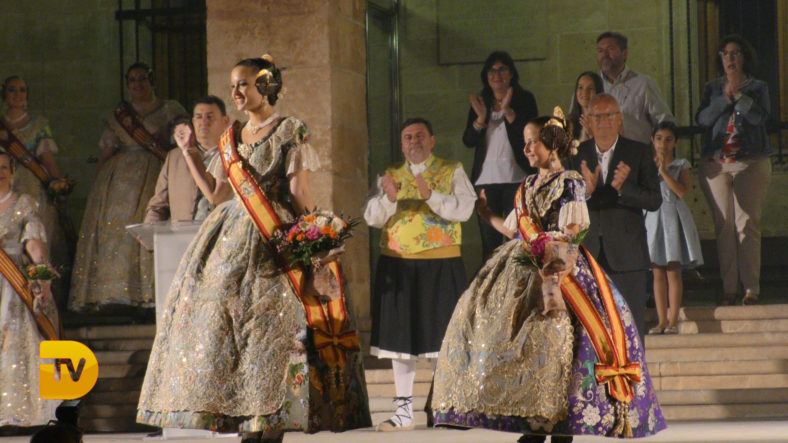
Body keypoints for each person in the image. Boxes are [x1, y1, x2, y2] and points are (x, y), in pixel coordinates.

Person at [137, 55, 370, 443]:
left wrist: (317, 242)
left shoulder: (289, 129)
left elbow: (299, 192)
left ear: (266, 86)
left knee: (273, 333)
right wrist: (191, 152)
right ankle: (243, 420)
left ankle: (271, 422)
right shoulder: (230, 138)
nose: (236, 92)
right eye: (233, 85)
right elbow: (217, 195)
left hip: (273, 238)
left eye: (243, 84)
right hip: (227, 239)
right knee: (227, 330)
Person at [431, 109, 666, 441]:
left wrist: (555, 261)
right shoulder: (526, 185)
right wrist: (486, 215)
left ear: (552, 145)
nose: (526, 149)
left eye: (532, 142)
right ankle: (530, 419)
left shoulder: (569, 181)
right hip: (523, 266)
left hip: (559, 267)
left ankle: (560, 424)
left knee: (559, 342)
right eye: (525, 143)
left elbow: (573, 228)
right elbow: (515, 231)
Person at [364, 117, 475, 432]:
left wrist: (431, 196)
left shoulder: (452, 170)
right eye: (408, 137)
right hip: (398, 264)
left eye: (420, 136)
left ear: (432, 140)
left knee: (444, 337)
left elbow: (465, 209)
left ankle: (446, 407)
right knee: (400, 339)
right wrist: (389, 197)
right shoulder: (389, 175)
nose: (414, 141)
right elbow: (371, 216)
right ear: (402, 145)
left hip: (441, 263)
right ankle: (403, 412)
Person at [69, 62, 187, 312]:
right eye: (132, 80)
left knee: (149, 223)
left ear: (151, 81)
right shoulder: (119, 117)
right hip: (119, 179)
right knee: (116, 230)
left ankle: (149, 294)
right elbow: (108, 151)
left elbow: (182, 141)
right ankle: (114, 294)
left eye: (142, 78)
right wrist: (98, 188)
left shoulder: (169, 109)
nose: (137, 84)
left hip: (155, 171)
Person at [567, 94, 661, 345]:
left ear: (619, 119)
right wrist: (586, 191)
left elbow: (654, 200)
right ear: (588, 121)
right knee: (592, 333)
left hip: (628, 256)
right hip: (589, 255)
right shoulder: (577, 155)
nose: (604, 122)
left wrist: (623, 188)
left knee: (630, 331)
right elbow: (565, 203)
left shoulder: (637, 151)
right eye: (598, 116)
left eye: (610, 115)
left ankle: (632, 372)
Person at [695, 34, 771, 306]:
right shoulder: (712, 88)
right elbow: (703, 119)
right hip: (716, 163)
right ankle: (729, 288)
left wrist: (738, 96)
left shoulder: (758, 87)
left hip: (750, 162)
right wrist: (724, 99)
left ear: (744, 57)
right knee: (724, 225)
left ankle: (751, 288)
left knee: (747, 223)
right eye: (725, 53)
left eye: (735, 53)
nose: (730, 58)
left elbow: (760, 117)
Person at [0, 152, 61, 428]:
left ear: (12, 171)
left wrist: (42, 277)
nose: (0, 172)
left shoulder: (24, 204)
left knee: (14, 340)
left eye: (4, 167)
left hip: (12, 283)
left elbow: (35, 247)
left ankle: (17, 412)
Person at [0, 76, 70, 306]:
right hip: (2, 186)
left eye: (22, 90)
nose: (17, 95)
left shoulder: (39, 125)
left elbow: (47, 160)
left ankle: (41, 291)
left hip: (30, 186)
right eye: (12, 90)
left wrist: (57, 185)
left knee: (35, 240)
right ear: (4, 94)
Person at [463, 50, 538, 259]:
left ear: (511, 73)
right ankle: (491, 280)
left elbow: (531, 135)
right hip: (486, 180)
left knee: (517, 238)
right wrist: (480, 119)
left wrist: (508, 112)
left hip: (517, 177)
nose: (496, 75)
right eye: (492, 71)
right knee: (490, 245)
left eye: (502, 70)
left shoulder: (524, 99)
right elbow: (468, 140)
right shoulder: (481, 102)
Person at [646, 122, 703, 334]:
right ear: (653, 141)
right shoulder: (647, 165)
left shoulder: (681, 165)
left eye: (668, 139)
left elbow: (681, 192)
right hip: (653, 217)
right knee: (657, 272)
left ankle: (673, 321)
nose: (663, 144)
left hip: (673, 217)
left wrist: (664, 171)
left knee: (673, 271)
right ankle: (661, 320)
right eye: (659, 139)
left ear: (675, 142)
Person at [144, 95, 229, 223]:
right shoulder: (175, 158)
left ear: (225, 121)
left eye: (210, 117)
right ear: (193, 122)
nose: (204, 122)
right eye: (199, 117)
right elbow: (158, 207)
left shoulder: (232, 155)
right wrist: (149, 231)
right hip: (183, 232)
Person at [596, 31, 674, 145]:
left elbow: (664, 122)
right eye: (600, 51)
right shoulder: (591, 85)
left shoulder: (644, 84)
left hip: (638, 152)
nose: (604, 55)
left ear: (624, 54)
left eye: (610, 49)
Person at [567, 71, 603, 143]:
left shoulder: (607, 122)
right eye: (580, 87)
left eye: (591, 88)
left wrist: (591, 134)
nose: (585, 92)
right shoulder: (569, 124)